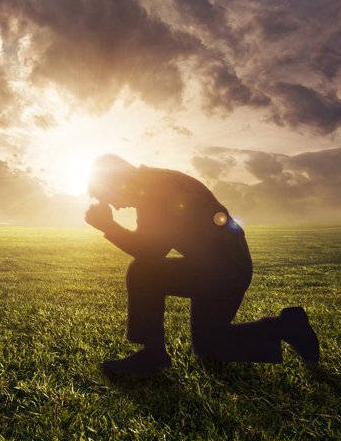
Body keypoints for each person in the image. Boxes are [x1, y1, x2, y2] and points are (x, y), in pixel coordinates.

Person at [85, 154, 320, 377]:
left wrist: (110, 227)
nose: (115, 207)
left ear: (116, 182)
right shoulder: (151, 186)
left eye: (109, 198)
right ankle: (288, 326)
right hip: (219, 267)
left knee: (143, 272)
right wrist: (111, 227)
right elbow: (151, 243)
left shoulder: (155, 192)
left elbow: (151, 252)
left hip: (223, 270)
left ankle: (152, 355)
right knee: (209, 346)